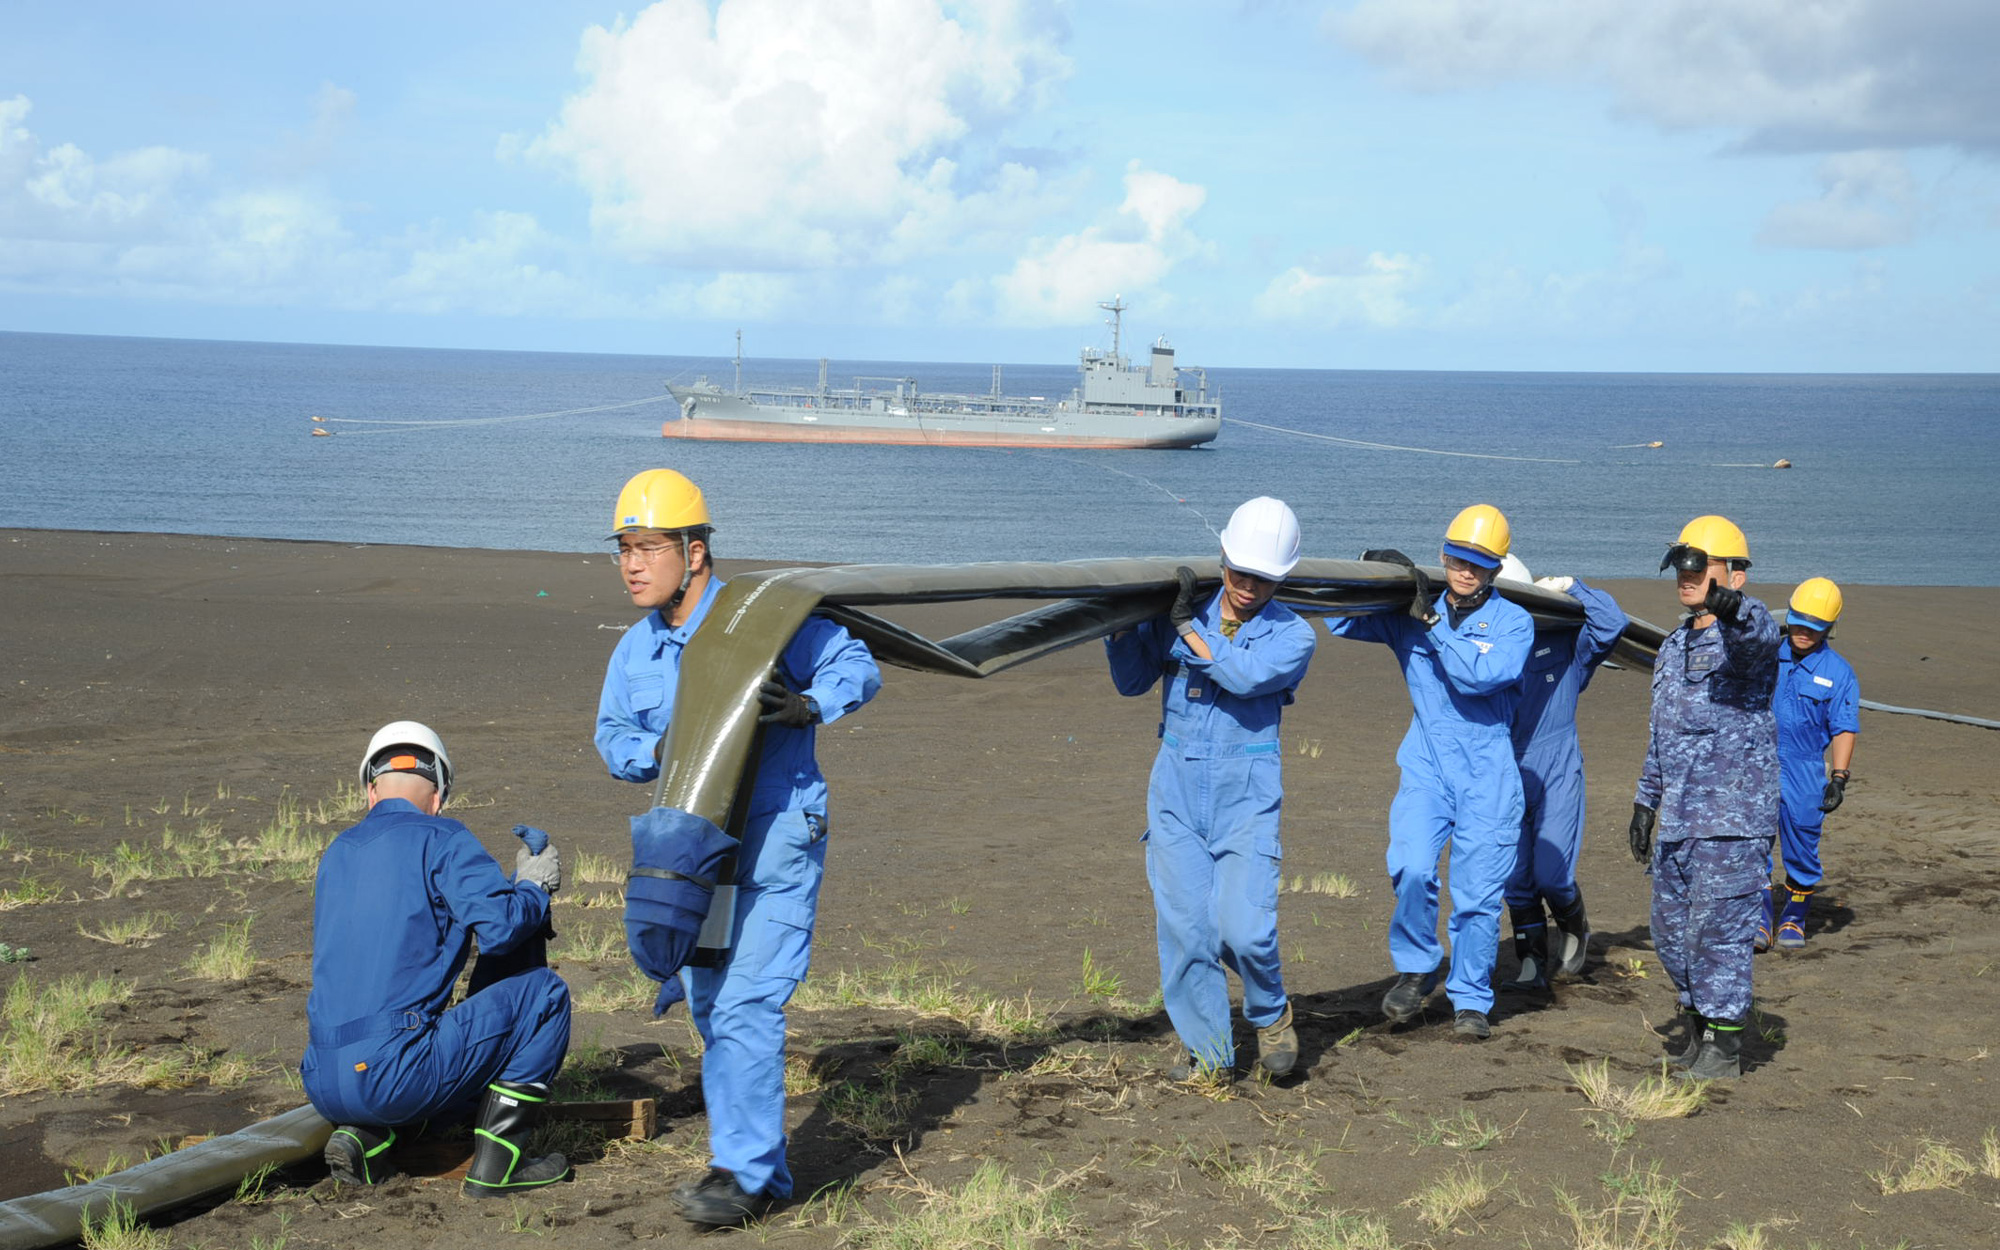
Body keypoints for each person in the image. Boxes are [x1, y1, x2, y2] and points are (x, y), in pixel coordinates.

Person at [595, 469, 880, 1227]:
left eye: (647, 547)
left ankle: (743, 1173)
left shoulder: (768, 621)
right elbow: (613, 738)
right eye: (623, 548)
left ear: (694, 552)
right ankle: (756, 1165)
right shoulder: (635, 650)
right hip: (697, 852)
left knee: (750, 1001)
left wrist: (807, 705)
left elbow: (858, 665)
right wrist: (663, 748)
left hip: (778, 842)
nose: (631, 564)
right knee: (712, 1002)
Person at [302, 721, 572, 1197]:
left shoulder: (336, 853)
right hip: (397, 1073)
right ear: (438, 796)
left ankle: (364, 1137)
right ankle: (500, 1165)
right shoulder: (441, 838)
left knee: (401, 1038)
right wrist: (532, 885)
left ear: (370, 790)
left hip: (322, 1083)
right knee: (547, 995)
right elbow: (503, 928)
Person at [1106, 497, 1317, 1081]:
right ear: (1223, 557)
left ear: (1283, 577)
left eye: (1264, 577)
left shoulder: (1293, 636)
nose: (1248, 586)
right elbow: (1130, 683)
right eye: (1239, 571)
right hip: (1175, 785)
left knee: (1244, 930)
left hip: (1245, 793)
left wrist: (1182, 627)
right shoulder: (1184, 609)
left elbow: (1243, 676)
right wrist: (1122, 623)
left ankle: (1271, 1013)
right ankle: (1209, 1053)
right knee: (1185, 929)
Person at [1324, 505, 1532, 1039]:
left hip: (1488, 773)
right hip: (1427, 766)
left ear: (1496, 567)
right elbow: (1339, 618)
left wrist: (1432, 622)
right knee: (1411, 866)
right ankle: (1418, 966)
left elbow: (1482, 676)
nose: (1466, 571)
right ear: (1444, 555)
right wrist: (1375, 569)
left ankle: (1471, 1002)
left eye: (1480, 563)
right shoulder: (1411, 611)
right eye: (1459, 559)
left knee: (1478, 897)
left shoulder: (1514, 622)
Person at [1628, 516, 1780, 1081]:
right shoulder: (1673, 644)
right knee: (1671, 935)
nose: (1687, 575)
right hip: (1681, 821)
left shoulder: (1745, 636)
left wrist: (1728, 603)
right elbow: (1663, 732)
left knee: (1719, 935)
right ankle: (1698, 1028)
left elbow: (1759, 632)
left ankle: (1725, 1045)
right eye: (1682, 565)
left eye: (1701, 564)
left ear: (1734, 574)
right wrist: (1647, 803)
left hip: (1732, 820)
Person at [1493, 555, 1628, 989]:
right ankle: (1531, 956)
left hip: (1556, 764)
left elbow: (1611, 624)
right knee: (1515, 879)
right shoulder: (1486, 641)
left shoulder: (1564, 638)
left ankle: (1574, 923)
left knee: (1552, 873)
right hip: (1503, 766)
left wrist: (1571, 585)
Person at [1766, 577, 1860, 951]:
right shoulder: (1766, 654)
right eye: (1799, 623)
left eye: (1815, 627)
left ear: (1829, 628)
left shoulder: (1839, 673)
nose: (1804, 632)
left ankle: (1793, 916)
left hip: (1804, 768)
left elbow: (1844, 727)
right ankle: (1759, 918)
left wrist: (1838, 778)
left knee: (1803, 842)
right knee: (1752, 840)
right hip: (1758, 761)